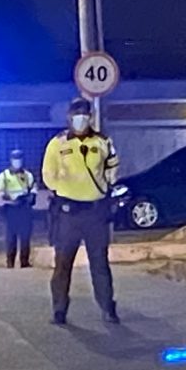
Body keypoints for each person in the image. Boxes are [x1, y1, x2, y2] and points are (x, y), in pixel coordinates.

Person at [42, 96, 120, 326]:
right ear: (68, 116)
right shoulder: (58, 144)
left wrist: (105, 186)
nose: (80, 118)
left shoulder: (103, 142)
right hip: (68, 213)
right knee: (63, 264)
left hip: (95, 213)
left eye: (84, 114)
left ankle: (108, 308)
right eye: (76, 114)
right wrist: (64, 189)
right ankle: (59, 309)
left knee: (100, 263)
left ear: (90, 117)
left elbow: (112, 168)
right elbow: (48, 174)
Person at [0, 149, 39, 267]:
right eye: (15, 158)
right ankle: (10, 261)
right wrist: (9, 198)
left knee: (25, 237)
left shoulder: (28, 175)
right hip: (11, 209)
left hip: (24, 209)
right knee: (11, 237)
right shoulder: (4, 175)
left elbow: (33, 187)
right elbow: (0, 192)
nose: (17, 161)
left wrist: (31, 197)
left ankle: (24, 261)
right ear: (11, 160)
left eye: (19, 158)